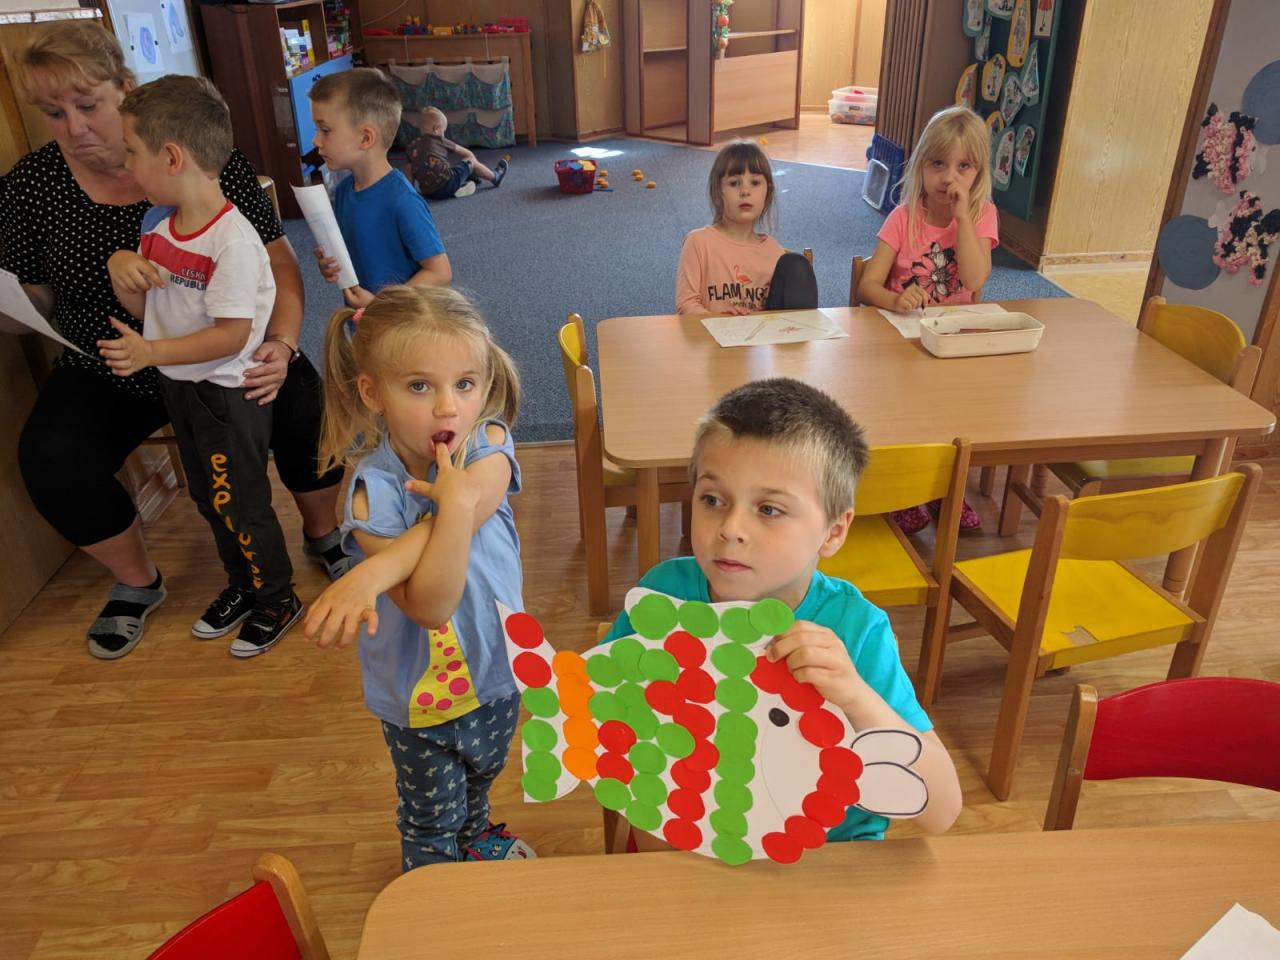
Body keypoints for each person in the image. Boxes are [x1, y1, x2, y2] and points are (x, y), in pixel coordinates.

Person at [0, 21, 350, 661]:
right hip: (112, 364)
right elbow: (31, 302)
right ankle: (140, 581)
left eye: (88, 105)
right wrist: (20, 310)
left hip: (221, 355)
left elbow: (275, 264)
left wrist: (282, 343)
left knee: (300, 404)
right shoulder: (31, 186)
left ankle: (319, 538)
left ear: (125, 89)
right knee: (53, 456)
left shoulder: (204, 162)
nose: (74, 127)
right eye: (53, 113)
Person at [601, 378, 963, 846]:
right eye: (712, 500)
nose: (731, 528)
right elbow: (603, 719)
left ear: (833, 531)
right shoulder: (662, 595)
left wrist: (855, 696)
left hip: (824, 858)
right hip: (691, 844)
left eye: (769, 509)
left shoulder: (856, 629)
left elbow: (941, 812)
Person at [302, 284, 536, 869]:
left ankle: (475, 837)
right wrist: (451, 508)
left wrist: (373, 573)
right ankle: (432, 884)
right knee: (431, 815)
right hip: (420, 698)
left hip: (497, 666)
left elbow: (474, 502)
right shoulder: (371, 496)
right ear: (372, 393)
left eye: (465, 383)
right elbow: (432, 606)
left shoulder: (487, 442)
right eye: (418, 386)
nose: (448, 408)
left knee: (483, 775)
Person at [101, 75, 301, 657]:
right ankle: (244, 585)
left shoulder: (231, 241)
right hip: (182, 387)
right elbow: (152, 310)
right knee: (208, 497)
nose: (125, 166)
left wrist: (150, 354)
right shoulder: (159, 228)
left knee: (239, 500)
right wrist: (123, 271)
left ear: (171, 157)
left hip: (224, 395)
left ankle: (277, 596)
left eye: (131, 152)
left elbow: (231, 336)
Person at [856, 105, 999, 534]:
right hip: (904, 345)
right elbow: (868, 286)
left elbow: (974, 280)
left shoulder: (981, 215)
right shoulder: (903, 218)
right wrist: (896, 299)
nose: (948, 178)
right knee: (906, 413)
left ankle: (944, 492)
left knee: (954, 418)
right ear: (921, 165)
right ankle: (905, 490)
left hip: (954, 344)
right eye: (938, 164)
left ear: (978, 172)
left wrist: (962, 219)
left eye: (963, 167)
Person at [309, 68, 451, 309]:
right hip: (364, 320)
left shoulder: (402, 200)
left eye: (325, 130)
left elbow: (439, 272)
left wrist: (381, 305)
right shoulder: (344, 191)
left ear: (366, 138)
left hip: (401, 323)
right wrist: (332, 264)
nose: (316, 140)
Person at [675, 139, 817, 316]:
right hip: (708, 333)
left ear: (767, 192)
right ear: (717, 192)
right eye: (734, 183)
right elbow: (686, 305)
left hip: (761, 334)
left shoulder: (776, 253)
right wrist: (719, 321)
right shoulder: (698, 242)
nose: (745, 191)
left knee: (796, 265)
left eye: (755, 183)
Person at [406, 106, 508, 200]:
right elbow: (467, 154)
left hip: (428, 192)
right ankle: (495, 177)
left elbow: (409, 172)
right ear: (436, 129)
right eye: (443, 131)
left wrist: (411, 194)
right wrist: (472, 165)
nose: (443, 134)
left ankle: (461, 185)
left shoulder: (412, 146)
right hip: (448, 184)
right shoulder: (439, 140)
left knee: (452, 169)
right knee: (470, 161)